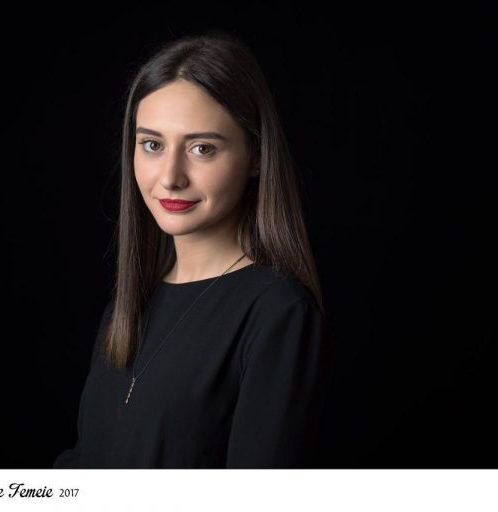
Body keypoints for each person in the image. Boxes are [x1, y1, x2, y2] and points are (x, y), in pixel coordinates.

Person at [53, 30, 330, 468]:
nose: (170, 177)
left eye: (202, 149)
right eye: (152, 145)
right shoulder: (129, 306)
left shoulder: (278, 313)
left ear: (256, 155)